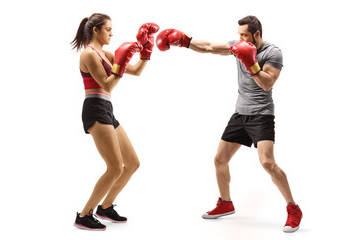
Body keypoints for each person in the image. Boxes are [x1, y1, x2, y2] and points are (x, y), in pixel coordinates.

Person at [156, 15, 302, 233]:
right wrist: (184, 41)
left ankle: (293, 209)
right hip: (240, 114)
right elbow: (208, 47)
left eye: (245, 35)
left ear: (257, 34)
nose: (241, 39)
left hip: (261, 115)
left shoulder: (273, 52)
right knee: (220, 159)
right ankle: (226, 203)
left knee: (267, 163)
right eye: (239, 35)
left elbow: (267, 84)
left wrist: (251, 63)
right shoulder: (237, 46)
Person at [70, 13, 159, 231]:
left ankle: (106, 207)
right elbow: (107, 85)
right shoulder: (89, 54)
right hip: (95, 109)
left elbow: (136, 71)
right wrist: (119, 63)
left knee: (132, 163)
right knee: (114, 168)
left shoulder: (106, 53)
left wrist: (147, 50)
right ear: (95, 30)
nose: (112, 33)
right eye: (108, 29)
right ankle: (84, 215)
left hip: (107, 110)